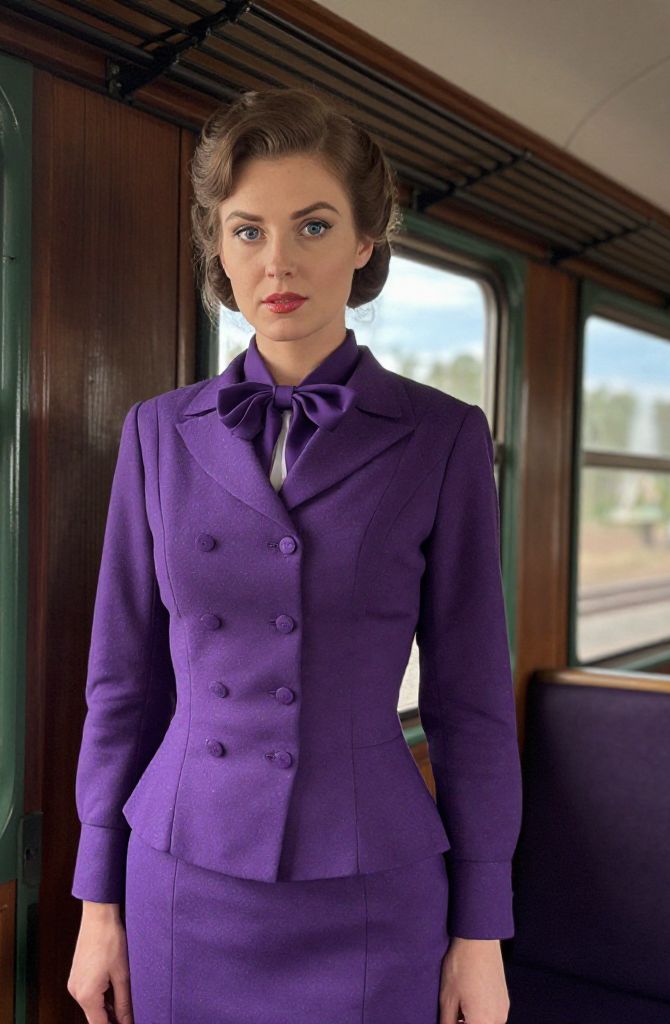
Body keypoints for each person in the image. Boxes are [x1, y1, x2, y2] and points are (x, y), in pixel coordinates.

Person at [67, 86, 522, 1024]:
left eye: (312, 227)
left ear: (364, 244)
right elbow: (122, 686)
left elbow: (470, 703)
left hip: (368, 884)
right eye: (246, 232)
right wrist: (95, 901)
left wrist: (482, 931)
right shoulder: (157, 432)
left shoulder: (443, 437)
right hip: (180, 876)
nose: (277, 262)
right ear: (219, 251)